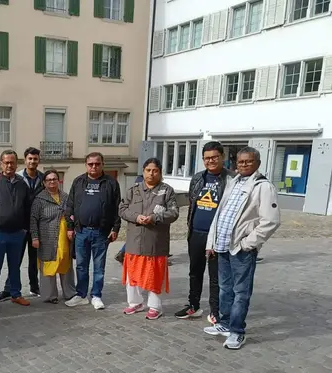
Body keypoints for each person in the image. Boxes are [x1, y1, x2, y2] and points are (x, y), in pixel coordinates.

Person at [204, 147, 280, 350]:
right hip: (222, 247)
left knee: (241, 292)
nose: (244, 164)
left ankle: (237, 332)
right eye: (240, 161)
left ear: (258, 163)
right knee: (224, 289)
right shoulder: (233, 181)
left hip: (241, 250)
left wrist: (247, 244)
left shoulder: (263, 187)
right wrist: (211, 243)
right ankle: (225, 323)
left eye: (248, 161)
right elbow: (220, 214)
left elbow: (270, 221)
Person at [175, 141, 234, 324]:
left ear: (223, 157)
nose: (211, 161)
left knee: (216, 276)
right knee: (195, 272)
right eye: (207, 158)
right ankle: (193, 305)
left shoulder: (231, 179)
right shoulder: (198, 178)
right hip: (196, 233)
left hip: (217, 236)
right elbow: (192, 203)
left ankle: (215, 310)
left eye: (215, 157)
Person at [119, 158, 179, 319]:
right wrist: (136, 217)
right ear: (143, 171)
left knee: (155, 276)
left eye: (155, 170)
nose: (151, 173)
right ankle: (135, 303)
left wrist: (154, 218)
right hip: (135, 242)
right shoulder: (133, 190)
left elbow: (174, 213)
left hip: (156, 243)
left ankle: (155, 306)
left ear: (160, 172)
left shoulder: (167, 191)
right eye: (148, 170)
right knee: (132, 275)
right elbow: (122, 209)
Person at [64, 152, 121, 310]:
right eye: (90, 164)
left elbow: (117, 207)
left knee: (99, 267)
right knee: (81, 266)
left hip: (101, 232)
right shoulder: (78, 181)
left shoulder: (111, 183)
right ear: (86, 165)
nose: (94, 167)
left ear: (102, 164)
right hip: (81, 232)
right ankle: (81, 295)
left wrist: (116, 228)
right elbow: (70, 205)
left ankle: (96, 295)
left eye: (97, 164)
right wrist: (70, 227)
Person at [0, 149, 32, 312]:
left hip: (17, 233)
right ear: (1, 164)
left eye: (12, 162)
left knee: (15, 266)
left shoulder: (22, 184)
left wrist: (25, 229)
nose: (9, 165)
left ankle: (15, 294)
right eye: (6, 162)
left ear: (17, 164)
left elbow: (27, 208)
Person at [0, 147, 44, 300]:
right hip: (20, 225)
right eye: (30, 158)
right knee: (15, 259)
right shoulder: (17, 177)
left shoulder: (43, 179)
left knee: (34, 258)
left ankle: (34, 286)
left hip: (37, 225)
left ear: (38, 160)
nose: (32, 161)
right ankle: (8, 288)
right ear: (25, 160)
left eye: (35, 159)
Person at [30, 170, 76, 304]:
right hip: (47, 238)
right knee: (48, 265)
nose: (52, 182)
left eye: (54, 179)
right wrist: (34, 237)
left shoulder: (66, 197)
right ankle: (49, 295)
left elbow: (72, 213)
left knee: (66, 263)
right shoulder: (39, 199)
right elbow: (33, 219)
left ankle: (69, 292)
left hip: (64, 236)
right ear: (44, 183)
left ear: (58, 181)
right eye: (49, 180)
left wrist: (71, 228)